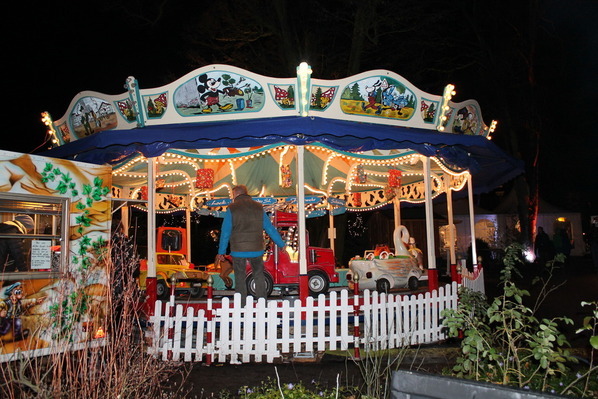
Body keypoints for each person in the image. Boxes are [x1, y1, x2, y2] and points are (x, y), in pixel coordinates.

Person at [216, 185, 285, 304]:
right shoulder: (258, 207)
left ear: (236, 194)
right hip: (256, 249)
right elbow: (270, 228)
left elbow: (225, 232)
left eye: (233, 195)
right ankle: (262, 303)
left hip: (238, 250)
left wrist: (221, 252)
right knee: (259, 275)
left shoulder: (232, 208)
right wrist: (281, 244)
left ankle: (241, 306)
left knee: (240, 278)